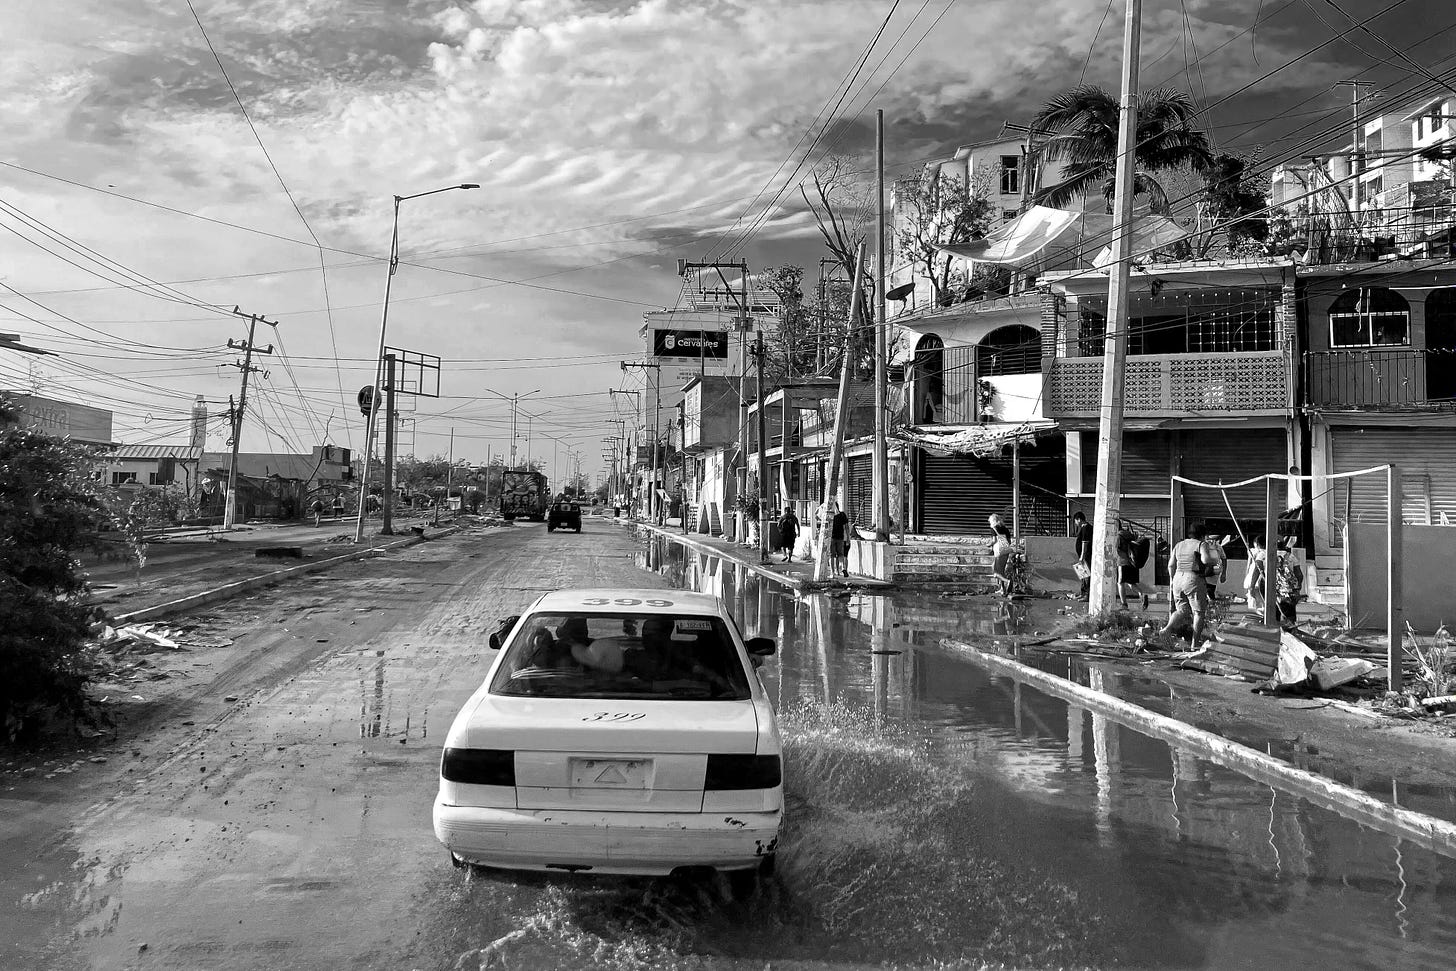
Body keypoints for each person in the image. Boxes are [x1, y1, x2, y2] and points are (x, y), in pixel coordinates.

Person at [1160, 522, 1209, 649]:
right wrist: (1215, 562)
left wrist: (1172, 580)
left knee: (1181, 610)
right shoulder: (1201, 544)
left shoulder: (1179, 545)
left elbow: (1170, 565)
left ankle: (1167, 628)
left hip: (1177, 578)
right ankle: (1194, 644)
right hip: (1192, 578)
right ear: (1202, 535)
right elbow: (1206, 560)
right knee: (1198, 613)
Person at [1115, 524, 1151, 612]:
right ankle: (1141, 594)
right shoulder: (1130, 534)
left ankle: (1124, 604)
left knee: (1120, 583)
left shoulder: (1118, 536)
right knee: (1131, 583)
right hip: (1133, 562)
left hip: (1122, 562)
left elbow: (1117, 549)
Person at [1274, 542, 1305, 627]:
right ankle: (1290, 631)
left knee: (1273, 614)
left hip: (1274, 590)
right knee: (1290, 614)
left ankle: (1273, 631)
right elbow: (1299, 574)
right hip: (1288, 591)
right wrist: (1298, 588)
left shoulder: (1269, 556)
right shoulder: (1291, 557)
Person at [988, 514, 1014, 598]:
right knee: (1001, 570)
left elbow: (994, 540)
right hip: (1005, 551)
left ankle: (1007, 581)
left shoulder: (993, 529)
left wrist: (988, 545)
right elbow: (1009, 541)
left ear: (993, 521)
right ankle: (1003, 589)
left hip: (998, 552)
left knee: (995, 571)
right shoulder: (1005, 529)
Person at [1071, 511, 1093, 599]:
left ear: (1079, 519)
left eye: (1075, 521)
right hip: (1084, 555)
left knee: (1086, 575)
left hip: (1086, 556)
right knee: (1083, 575)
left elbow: (1085, 543)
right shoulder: (1085, 528)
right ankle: (1083, 593)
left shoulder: (1086, 528)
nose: (1075, 523)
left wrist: (1082, 556)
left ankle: (1086, 595)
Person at [1202, 532, 1229, 601]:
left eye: (1213, 539)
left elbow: (1224, 558)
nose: (1211, 541)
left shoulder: (1218, 546)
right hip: (1203, 572)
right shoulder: (1201, 545)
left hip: (1214, 571)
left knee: (1210, 591)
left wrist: (1224, 573)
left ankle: (1211, 607)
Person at [1244, 534, 1267, 613]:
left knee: (1256, 601)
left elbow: (1250, 565)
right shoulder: (1263, 553)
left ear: (1256, 544)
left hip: (1256, 578)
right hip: (1259, 579)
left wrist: (1247, 577)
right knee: (1261, 601)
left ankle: (1259, 614)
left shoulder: (1255, 552)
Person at [831, 505, 852, 578]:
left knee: (835, 555)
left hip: (836, 538)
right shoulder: (840, 515)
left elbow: (846, 527)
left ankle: (836, 571)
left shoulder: (835, 515)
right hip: (839, 538)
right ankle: (842, 568)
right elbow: (846, 527)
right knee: (839, 555)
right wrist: (848, 538)